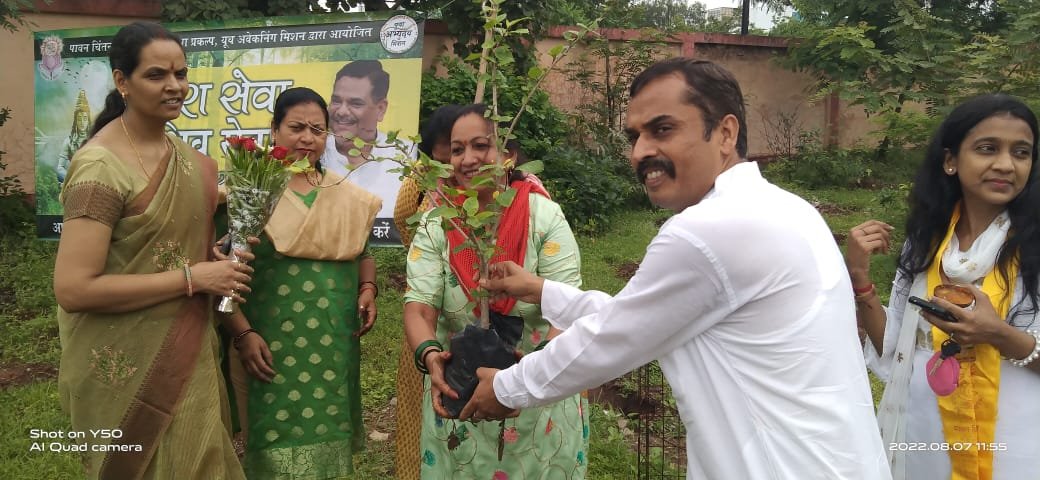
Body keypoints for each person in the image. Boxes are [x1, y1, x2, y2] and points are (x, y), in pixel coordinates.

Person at [463, 58, 891, 479]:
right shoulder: (786, 207)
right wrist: (543, 290)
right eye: (635, 135)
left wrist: (506, 388)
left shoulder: (707, 230)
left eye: (663, 129)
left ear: (725, 132)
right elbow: (644, 316)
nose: (641, 151)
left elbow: (614, 338)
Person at [52, 21, 252, 480]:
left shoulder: (188, 159)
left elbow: (181, 249)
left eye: (181, 74)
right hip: (123, 363)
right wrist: (194, 278)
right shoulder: (100, 168)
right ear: (122, 81)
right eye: (157, 75)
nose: (175, 86)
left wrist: (216, 263)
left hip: (187, 349)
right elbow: (73, 289)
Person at [847, 94, 1040, 479]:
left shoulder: (1034, 246)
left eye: (1021, 152)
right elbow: (894, 346)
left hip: (1016, 436)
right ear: (951, 161)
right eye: (987, 149)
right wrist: (860, 280)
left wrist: (999, 334)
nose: (1005, 164)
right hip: (922, 425)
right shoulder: (927, 242)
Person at [404, 103, 589, 478]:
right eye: (457, 150)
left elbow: (568, 312)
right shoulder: (437, 222)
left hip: (538, 399)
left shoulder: (544, 217)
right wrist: (430, 356)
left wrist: (531, 379)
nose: (467, 159)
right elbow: (419, 306)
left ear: (507, 155)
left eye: (480, 146)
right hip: (459, 394)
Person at [221, 86, 382, 479]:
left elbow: (361, 252)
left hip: (332, 343)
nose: (307, 138)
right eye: (296, 127)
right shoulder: (249, 188)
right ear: (274, 129)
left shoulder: (346, 196)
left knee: (329, 436)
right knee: (271, 442)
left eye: (317, 129)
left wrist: (368, 289)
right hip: (268, 342)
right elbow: (222, 269)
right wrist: (242, 334)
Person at [391, 103, 461, 480]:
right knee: (424, 407)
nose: (450, 167)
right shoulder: (422, 177)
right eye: (440, 158)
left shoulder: (506, 182)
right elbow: (404, 216)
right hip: (428, 318)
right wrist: (423, 257)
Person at [321, 59, 414, 244]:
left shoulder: (407, 156)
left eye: (355, 103)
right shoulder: (315, 154)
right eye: (336, 100)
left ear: (380, 109)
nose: (341, 111)